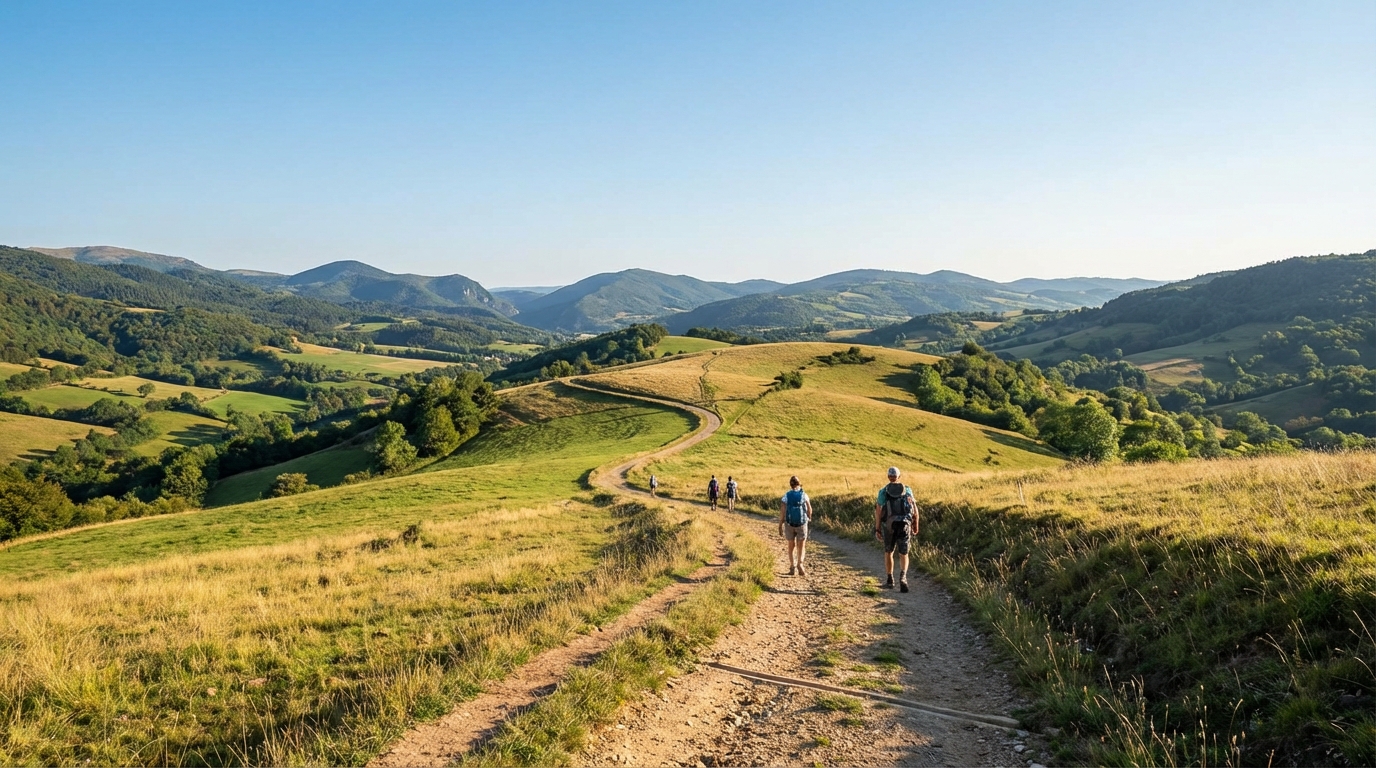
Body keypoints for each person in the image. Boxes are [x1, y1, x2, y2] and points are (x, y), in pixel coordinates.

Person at [873, 466, 919, 592]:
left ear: (888, 477)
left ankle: (890, 580)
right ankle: (903, 577)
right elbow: (914, 509)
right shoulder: (907, 490)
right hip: (905, 524)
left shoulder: (883, 491)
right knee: (904, 553)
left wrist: (877, 528)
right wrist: (916, 524)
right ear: (899, 476)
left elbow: (878, 511)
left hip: (889, 526)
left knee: (889, 552)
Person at [779, 475, 812, 576]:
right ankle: (800, 564)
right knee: (801, 545)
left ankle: (792, 566)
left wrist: (780, 524)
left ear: (790, 484)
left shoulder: (786, 496)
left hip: (789, 523)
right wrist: (809, 518)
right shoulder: (804, 495)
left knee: (791, 545)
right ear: (799, 483)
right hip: (802, 523)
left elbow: (783, 511)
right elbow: (809, 509)